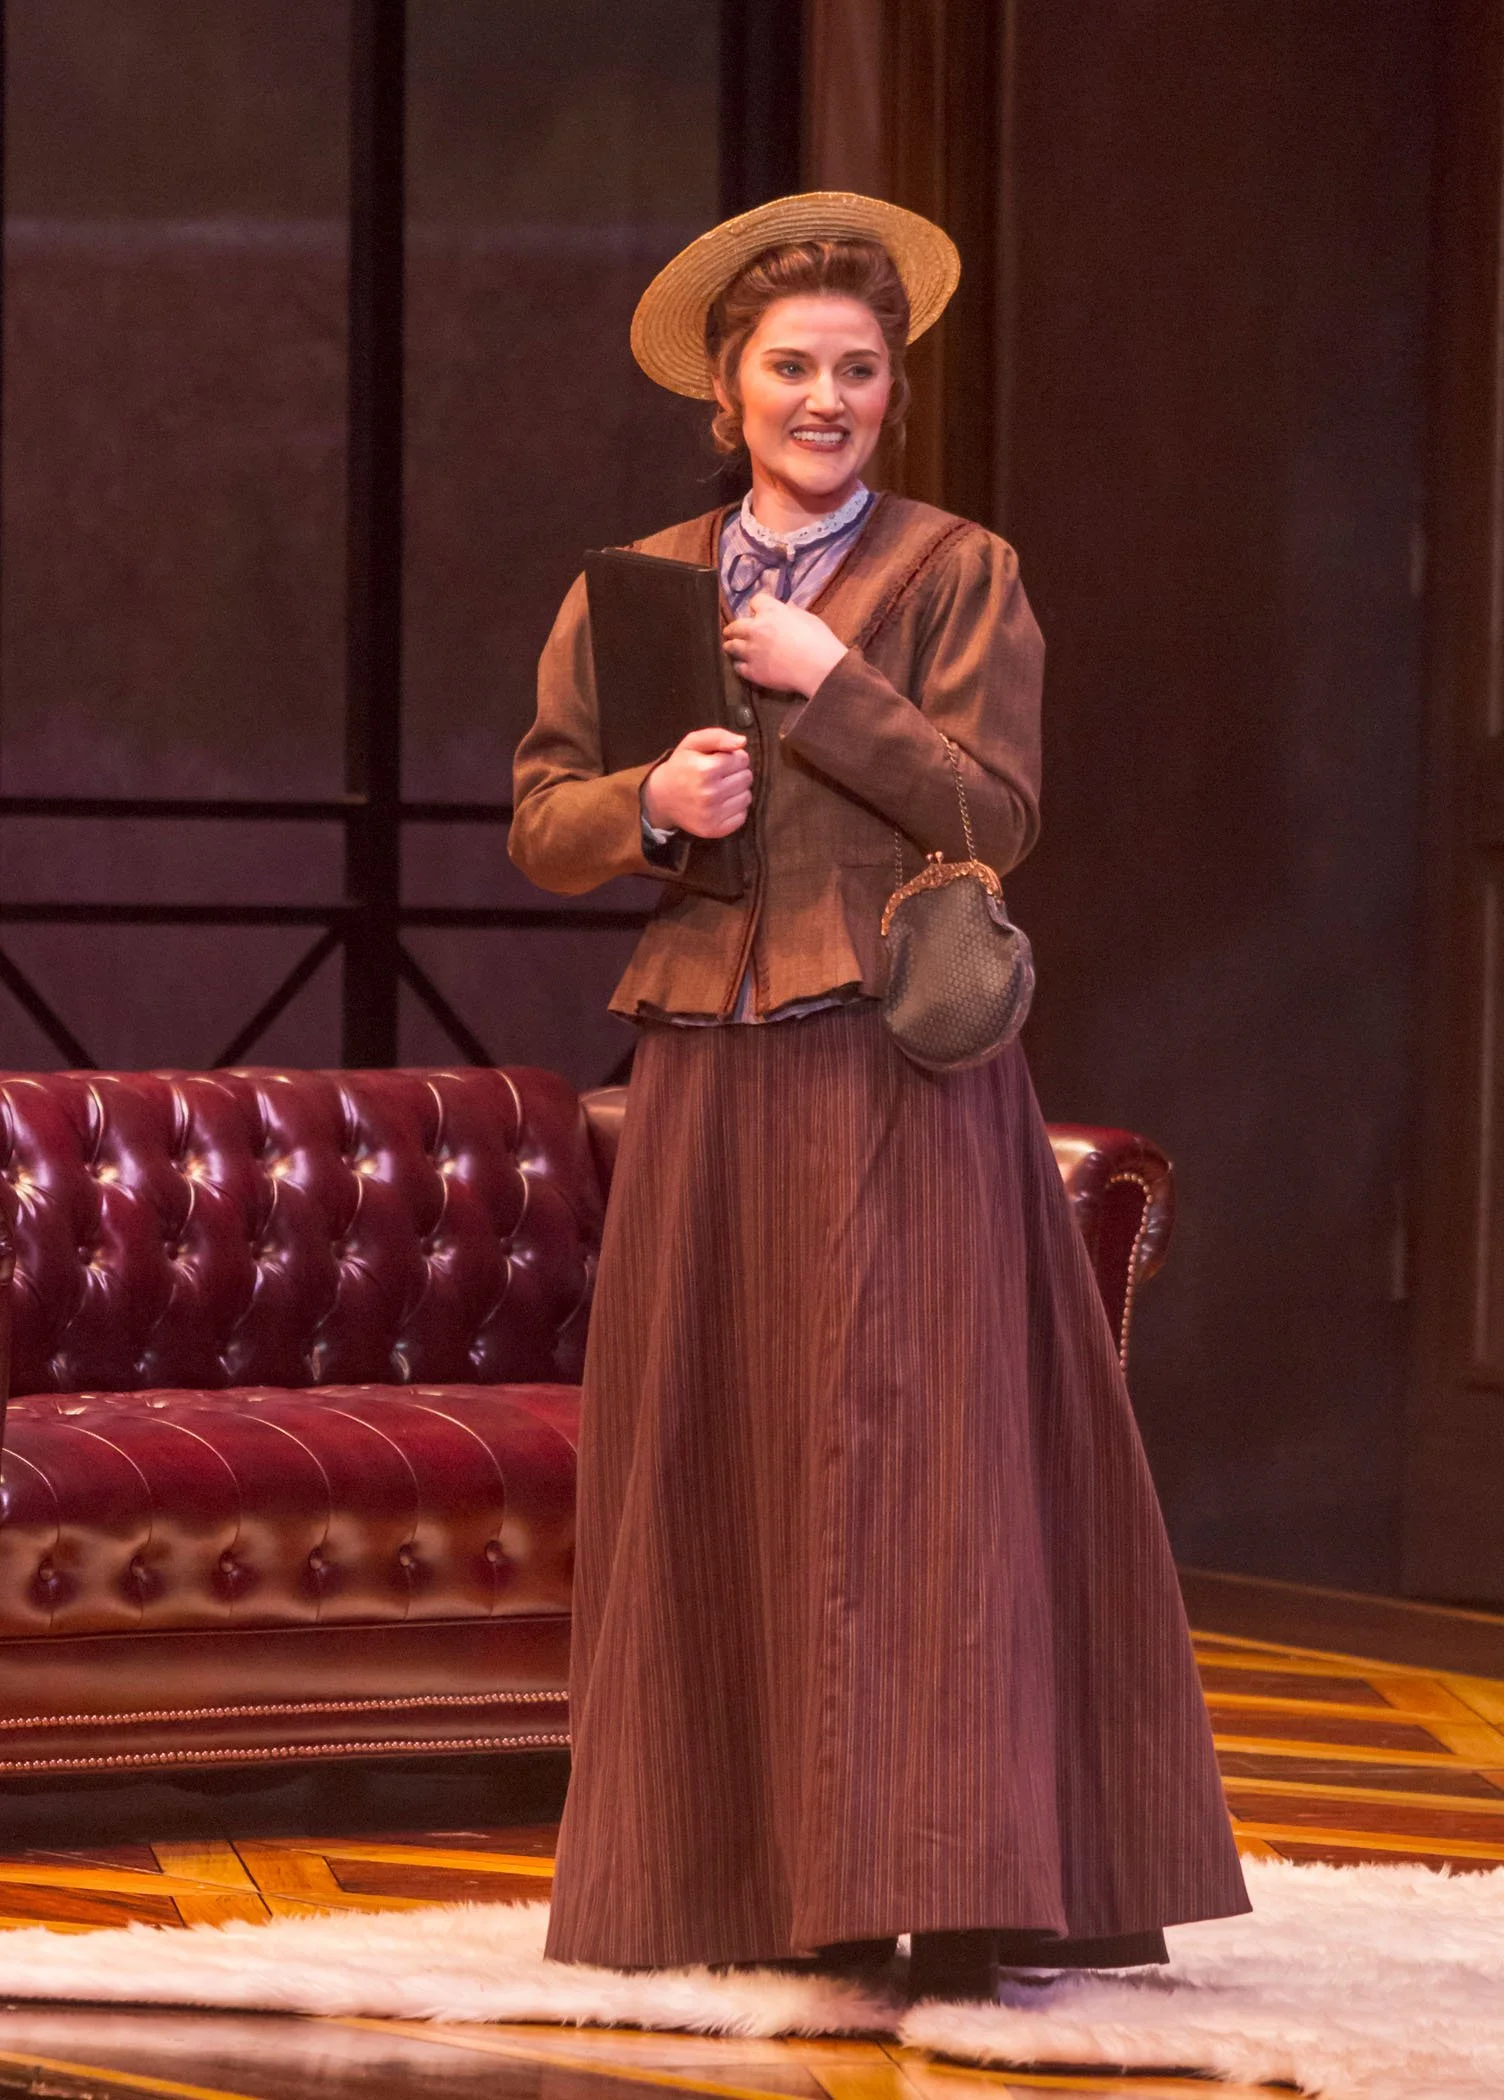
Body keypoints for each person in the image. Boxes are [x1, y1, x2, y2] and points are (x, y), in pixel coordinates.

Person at [510, 191, 1248, 2003]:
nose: (824, 398)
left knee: (920, 1471)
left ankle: (955, 1882)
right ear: (725, 389)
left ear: (891, 390)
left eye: (858, 369)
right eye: (791, 369)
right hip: (705, 1065)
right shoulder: (643, 582)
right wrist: (648, 811)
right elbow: (541, 816)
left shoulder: (956, 572)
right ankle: (752, 1876)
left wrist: (836, 687)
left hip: (898, 1066)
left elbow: (996, 819)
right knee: (726, 1446)